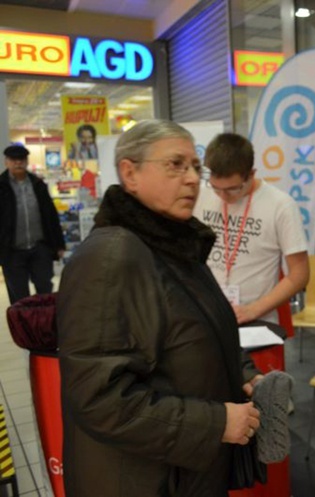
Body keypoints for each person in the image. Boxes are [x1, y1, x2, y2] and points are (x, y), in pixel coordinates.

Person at [57, 120, 264, 496]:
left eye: (194, 167)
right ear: (129, 172)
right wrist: (215, 423)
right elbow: (98, 397)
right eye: (175, 165)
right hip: (140, 479)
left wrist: (242, 372)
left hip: (182, 471)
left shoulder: (172, 243)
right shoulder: (112, 257)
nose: (191, 179)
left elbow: (194, 330)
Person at [194, 132, 309, 325]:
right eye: (216, 187)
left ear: (252, 174)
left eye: (232, 189)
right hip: (207, 316)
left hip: (257, 321)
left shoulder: (280, 205)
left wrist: (253, 310)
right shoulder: (201, 197)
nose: (223, 195)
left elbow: (299, 274)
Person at [0, 144, 66, 304]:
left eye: (21, 159)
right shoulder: (1, 186)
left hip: (40, 248)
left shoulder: (38, 185)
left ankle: (44, 327)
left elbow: (50, 216)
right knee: (19, 297)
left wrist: (58, 244)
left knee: (45, 291)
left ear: (27, 161)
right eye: (13, 160)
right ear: (6, 162)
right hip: (12, 251)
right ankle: (23, 328)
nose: (18, 163)